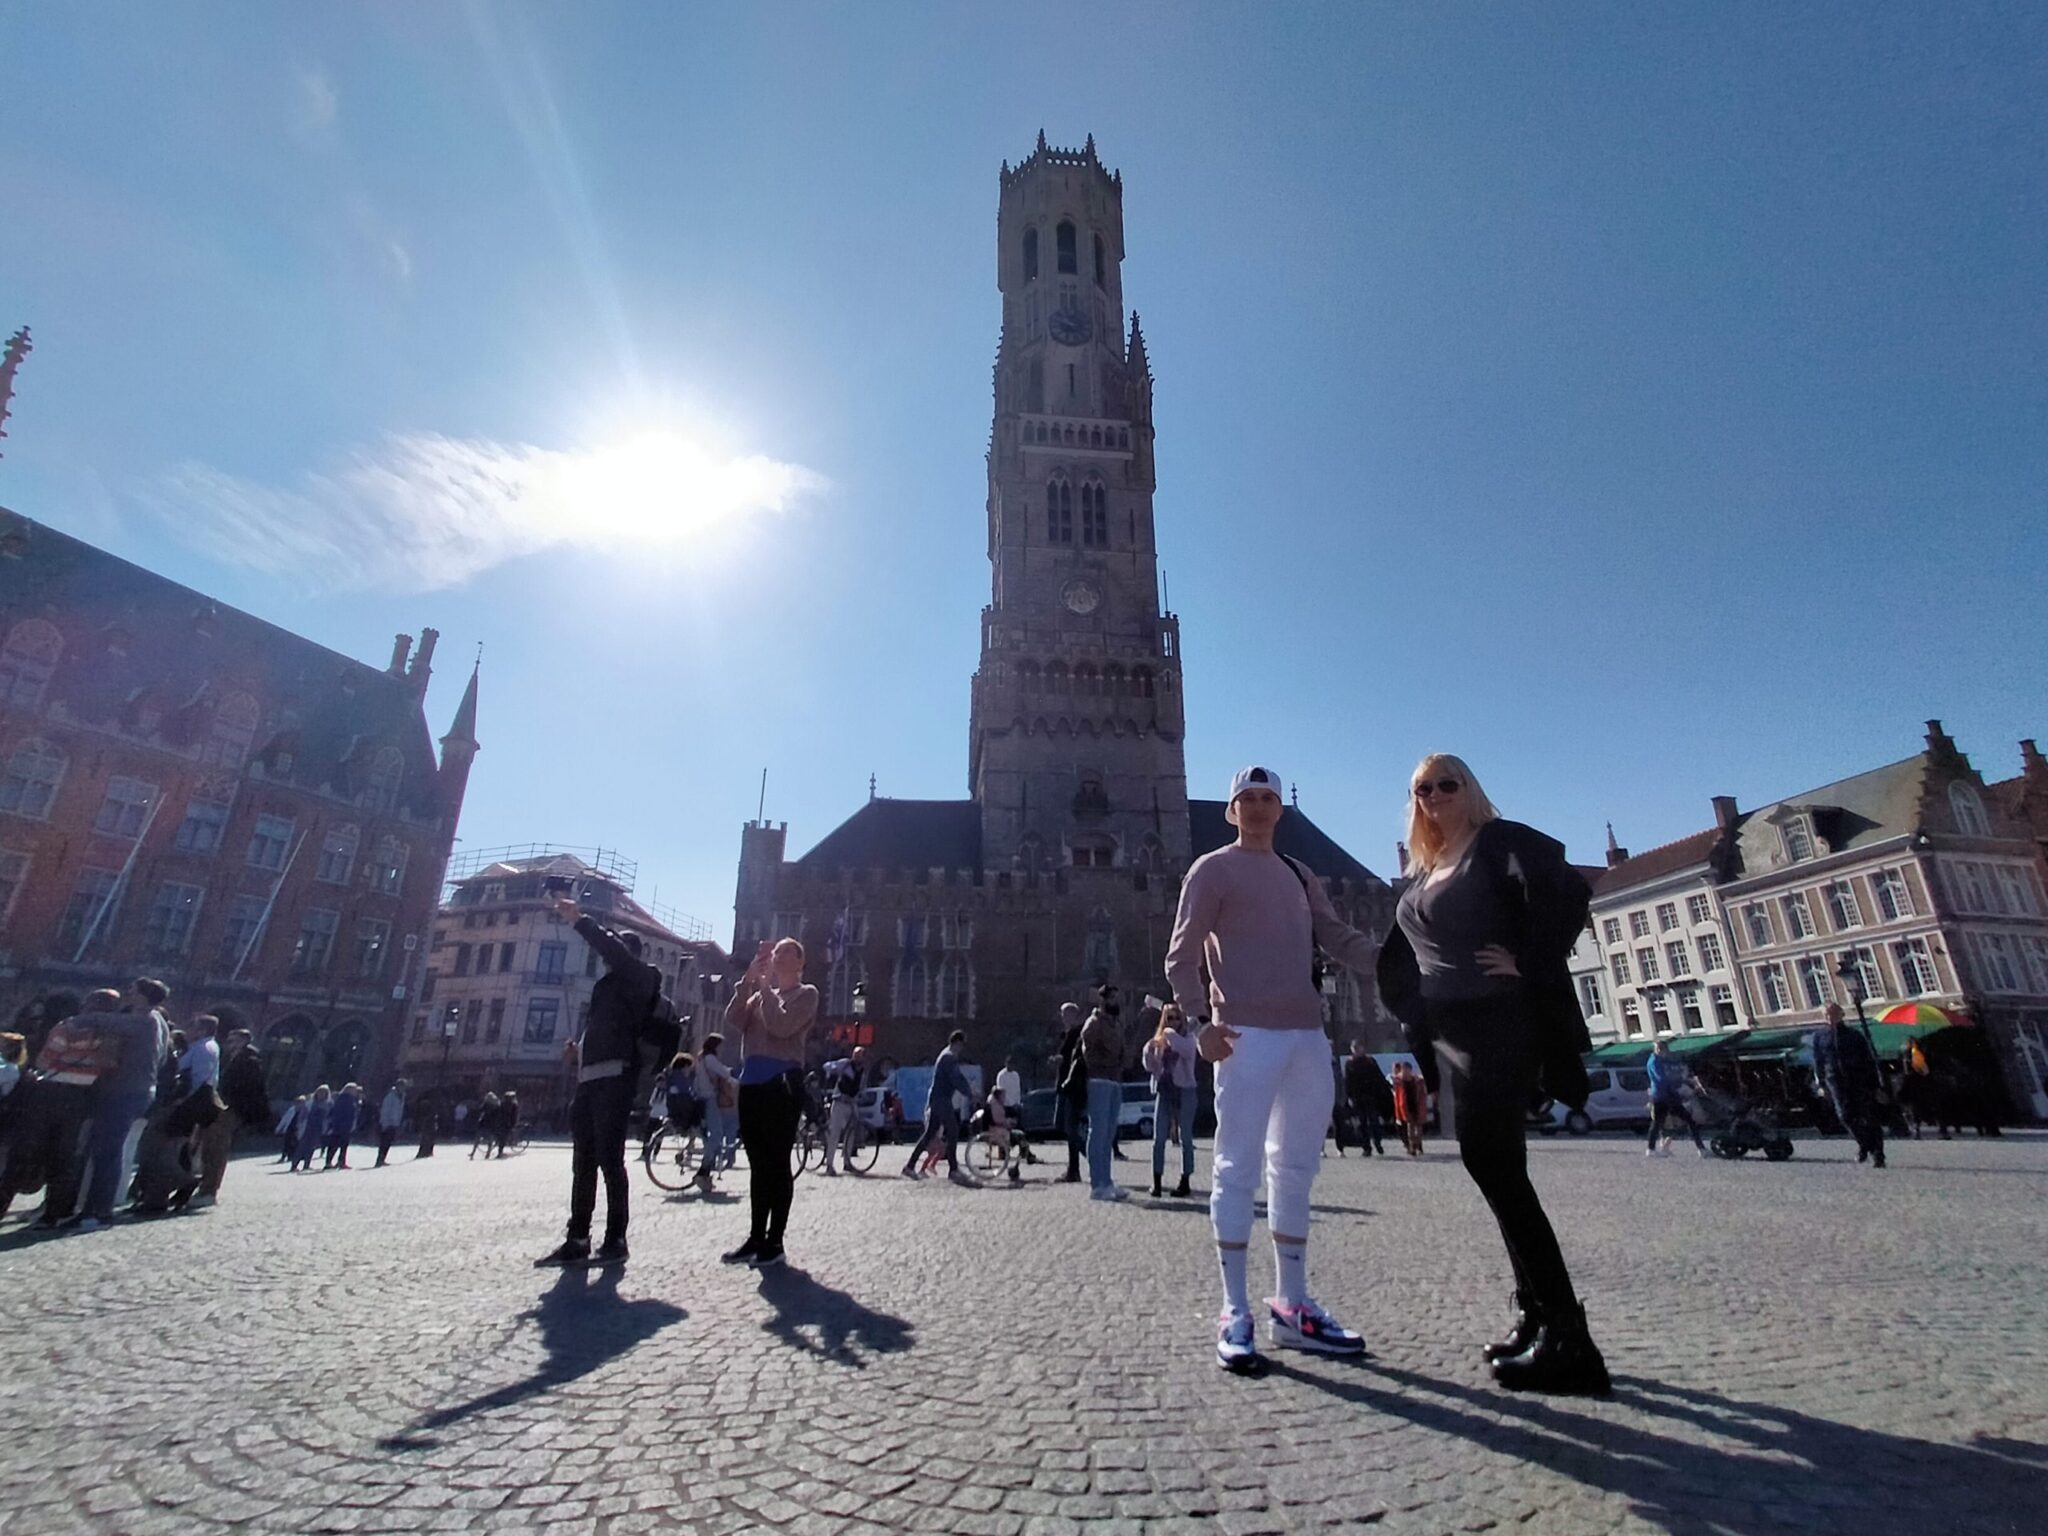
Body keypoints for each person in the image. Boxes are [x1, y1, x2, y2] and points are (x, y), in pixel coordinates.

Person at [1378, 752, 1608, 1396]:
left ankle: (1570, 1338)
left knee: (1501, 1172)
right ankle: (1537, 1318)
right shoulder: (1430, 864)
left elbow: (1569, 893)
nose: (1435, 796)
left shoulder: (1498, 841)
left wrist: (1528, 962)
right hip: (1453, 1036)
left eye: (1447, 785)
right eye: (1423, 789)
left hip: (1498, 1024)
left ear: (1470, 790)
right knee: (1495, 1170)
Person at [1166, 765, 1380, 1372]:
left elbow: (1335, 936)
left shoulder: (1297, 873)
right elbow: (1181, 956)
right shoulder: (1211, 869)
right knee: (1235, 1168)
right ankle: (1234, 1309)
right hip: (1244, 1034)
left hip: (1307, 1035)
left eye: (1267, 798)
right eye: (1246, 799)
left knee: (1294, 1169)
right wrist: (1196, 1023)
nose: (1258, 807)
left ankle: (1294, 1304)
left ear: (1278, 810)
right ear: (1232, 812)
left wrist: (1395, 957)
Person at [536, 894, 666, 1267]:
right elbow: (602, 1027)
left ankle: (616, 1238)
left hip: (616, 1076)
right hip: (590, 1078)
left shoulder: (640, 976)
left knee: (610, 1160)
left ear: (629, 953)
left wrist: (580, 920)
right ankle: (577, 1238)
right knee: (584, 1162)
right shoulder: (606, 986)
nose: (609, 953)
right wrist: (579, 1050)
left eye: (617, 947)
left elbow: (614, 950)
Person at [719, 936, 820, 1269]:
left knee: (777, 1163)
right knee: (758, 1165)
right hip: (751, 1083)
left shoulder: (807, 995)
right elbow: (734, 1020)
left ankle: (774, 1241)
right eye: (777, 952)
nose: (779, 956)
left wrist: (763, 989)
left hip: (781, 1085)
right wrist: (747, 983)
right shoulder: (762, 995)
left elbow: (781, 1027)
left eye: (788, 952)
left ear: (800, 962)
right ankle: (755, 1236)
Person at [4, 992, 117, 1224]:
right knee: (64, 1157)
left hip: (50, 1093)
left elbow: (44, 1061)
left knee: (24, 1152)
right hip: (80, 1098)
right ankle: (55, 1212)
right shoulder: (111, 1035)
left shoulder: (68, 1027)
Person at [78, 978, 172, 1228]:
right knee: (103, 1150)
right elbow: (161, 1060)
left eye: (133, 990)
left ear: (143, 996)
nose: (128, 993)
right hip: (135, 1090)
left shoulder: (146, 1020)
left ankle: (100, 1211)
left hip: (126, 1091)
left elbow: (109, 1022)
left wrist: (74, 1021)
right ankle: (91, 1208)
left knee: (108, 1151)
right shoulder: (159, 1021)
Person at [196, 1027, 268, 1205]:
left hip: (229, 1110)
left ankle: (209, 1190)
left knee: (216, 1149)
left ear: (243, 1041)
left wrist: (230, 1104)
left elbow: (249, 1089)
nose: (228, 1044)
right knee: (211, 1148)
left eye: (232, 1040)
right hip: (224, 1108)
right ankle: (206, 1187)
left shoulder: (249, 1061)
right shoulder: (236, 1058)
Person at [1811, 1003, 1886, 1168]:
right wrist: (1821, 1083)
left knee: (1868, 1117)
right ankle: (1864, 1144)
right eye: (1826, 1015)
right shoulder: (1820, 1036)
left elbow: (1868, 1059)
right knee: (1844, 1115)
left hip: (1859, 1079)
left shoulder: (1854, 1035)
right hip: (1835, 1079)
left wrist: (1875, 1084)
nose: (1829, 1018)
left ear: (1841, 1014)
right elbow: (1818, 1061)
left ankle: (1878, 1154)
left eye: (1832, 1014)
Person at [901, 1029, 976, 1187]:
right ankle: (953, 1169)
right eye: (962, 1044)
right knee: (953, 1130)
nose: (962, 1048)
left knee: (929, 1134)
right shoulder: (949, 1057)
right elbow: (957, 1078)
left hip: (937, 1099)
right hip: (941, 1100)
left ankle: (909, 1166)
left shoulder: (945, 1054)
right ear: (957, 1043)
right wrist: (970, 1093)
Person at [1142, 1004, 1198, 1199]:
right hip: (1164, 1092)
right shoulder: (1160, 1041)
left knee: (1186, 1138)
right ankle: (1156, 1181)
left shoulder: (1188, 1038)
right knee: (1158, 1139)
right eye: (1169, 1018)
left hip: (1185, 1091)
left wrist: (1167, 1033)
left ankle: (1185, 1181)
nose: (1173, 1022)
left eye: (1176, 1018)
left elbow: (1187, 1052)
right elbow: (1150, 1067)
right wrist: (1149, 1052)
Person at [1646, 1039, 1707, 1158]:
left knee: (1665, 1122)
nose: (1666, 1053)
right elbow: (1661, 1079)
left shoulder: (1660, 1061)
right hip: (1661, 1096)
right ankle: (1651, 1149)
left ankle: (1653, 1149)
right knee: (1659, 1123)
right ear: (1659, 1050)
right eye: (1664, 1051)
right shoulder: (1654, 1062)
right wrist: (1680, 1081)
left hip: (1667, 1095)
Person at [694, 1034, 737, 1191]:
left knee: (712, 1136)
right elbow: (724, 1074)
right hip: (709, 1098)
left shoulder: (701, 1058)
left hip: (702, 1097)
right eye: (721, 1045)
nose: (722, 1049)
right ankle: (703, 1170)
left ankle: (706, 1173)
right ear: (715, 1045)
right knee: (717, 1134)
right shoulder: (710, 1059)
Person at [1051, 1002, 1088, 1183]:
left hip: (1072, 1085)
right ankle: (1081, 1160)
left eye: (1067, 1014)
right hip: (1064, 1084)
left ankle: (1078, 1165)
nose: (1064, 1017)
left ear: (1075, 1015)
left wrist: (1059, 1059)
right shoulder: (1068, 1034)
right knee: (1063, 1126)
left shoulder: (1077, 1034)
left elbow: (1074, 1058)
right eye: (1063, 1014)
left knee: (1069, 1126)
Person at [820, 1046, 868, 1176]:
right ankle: (829, 1164)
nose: (857, 1057)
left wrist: (859, 1098)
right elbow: (827, 1066)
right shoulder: (845, 1064)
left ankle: (847, 1162)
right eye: (856, 1054)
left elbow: (861, 1088)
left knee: (851, 1134)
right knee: (835, 1134)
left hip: (851, 1104)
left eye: (860, 1055)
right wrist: (832, 1071)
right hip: (840, 1102)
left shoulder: (862, 1071)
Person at [1344, 1041, 1391, 1157]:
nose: (1356, 1050)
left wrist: (1386, 1087)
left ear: (1362, 1048)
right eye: (1354, 1048)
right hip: (1357, 1097)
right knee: (1362, 1123)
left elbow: (1379, 1077)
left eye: (1358, 1047)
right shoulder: (1349, 1063)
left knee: (1374, 1121)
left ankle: (1378, 1143)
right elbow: (1347, 1082)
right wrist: (1349, 1097)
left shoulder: (1370, 1061)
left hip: (1371, 1096)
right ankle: (1366, 1147)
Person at [1391, 1061, 1427, 1156]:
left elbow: (1423, 1093)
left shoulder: (1417, 1080)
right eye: (1403, 1070)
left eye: (1407, 1070)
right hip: (1406, 1106)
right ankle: (1412, 1147)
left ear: (1411, 1070)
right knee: (1410, 1127)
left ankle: (1419, 1144)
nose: (1405, 1072)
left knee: (1419, 1128)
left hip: (1417, 1105)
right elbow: (1396, 1094)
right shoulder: (1399, 1081)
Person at [293, 1087, 331, 1172]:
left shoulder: (326, 1104)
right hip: (307, 1127)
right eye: (320, 1092)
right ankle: (294, 1165)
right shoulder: (310, 1103)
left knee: (311, 1147)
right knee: (302, 1147)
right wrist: (299, 1126)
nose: (321, 1095)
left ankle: (307, 1165)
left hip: (318, 1128)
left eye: (324, 1093)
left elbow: (327, 1117)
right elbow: (302, 1116)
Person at [326, 1083, 361, 1169]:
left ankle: (330, 1161)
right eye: (355, 1090)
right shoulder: (347, 1099)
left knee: (335, 1144)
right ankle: (340, 1162)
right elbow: (348, 1113)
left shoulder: (340, 1098)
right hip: (344, 1125)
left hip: (339, 1125)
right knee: (341, 1144)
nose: (356, 1092)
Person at [375, 1079, 407, 1167]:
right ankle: (379, 1159)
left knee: (388, 1142)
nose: (403, 1088)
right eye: (401, 1086)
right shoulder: (391, 1096)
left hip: (395, 1123)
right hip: (388, 1123)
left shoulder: (401, 1096)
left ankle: (383, 1159)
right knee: (384, 1142)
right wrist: (385, 1123)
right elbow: (385, 1110)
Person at [277, 1096, 309, 1164]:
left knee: (296, 1144)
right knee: (287, 1143)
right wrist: (279, 1128)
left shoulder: (305, 1111)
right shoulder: (291, 1110)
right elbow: (284, 1119)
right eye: (298, 1102)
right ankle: (284, 1156)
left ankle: (292, 1156)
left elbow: (305, 1121)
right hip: (290, 1128)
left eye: (301, 1102)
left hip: (298, 1129)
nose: (299, 1104)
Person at [470, 1092, 502, 1160]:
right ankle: (488, 1153)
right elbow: (498, 1115)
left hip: (484, 1123)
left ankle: (473, 1153)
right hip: (492, 1124)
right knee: (490, 1140)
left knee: (477, 1138)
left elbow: (480, 1109)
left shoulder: (486, 1104)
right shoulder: (497, 1105)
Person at [497, 1090, 521, 1155]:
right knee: (505, 1136)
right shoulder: (514, 1104)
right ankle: (501, 1149)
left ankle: (500, 1150)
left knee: (502, 1136)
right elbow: (515, 1114)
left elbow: (499, 1112)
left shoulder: (502, 1104)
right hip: (509, 1122)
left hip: (502, 1122)